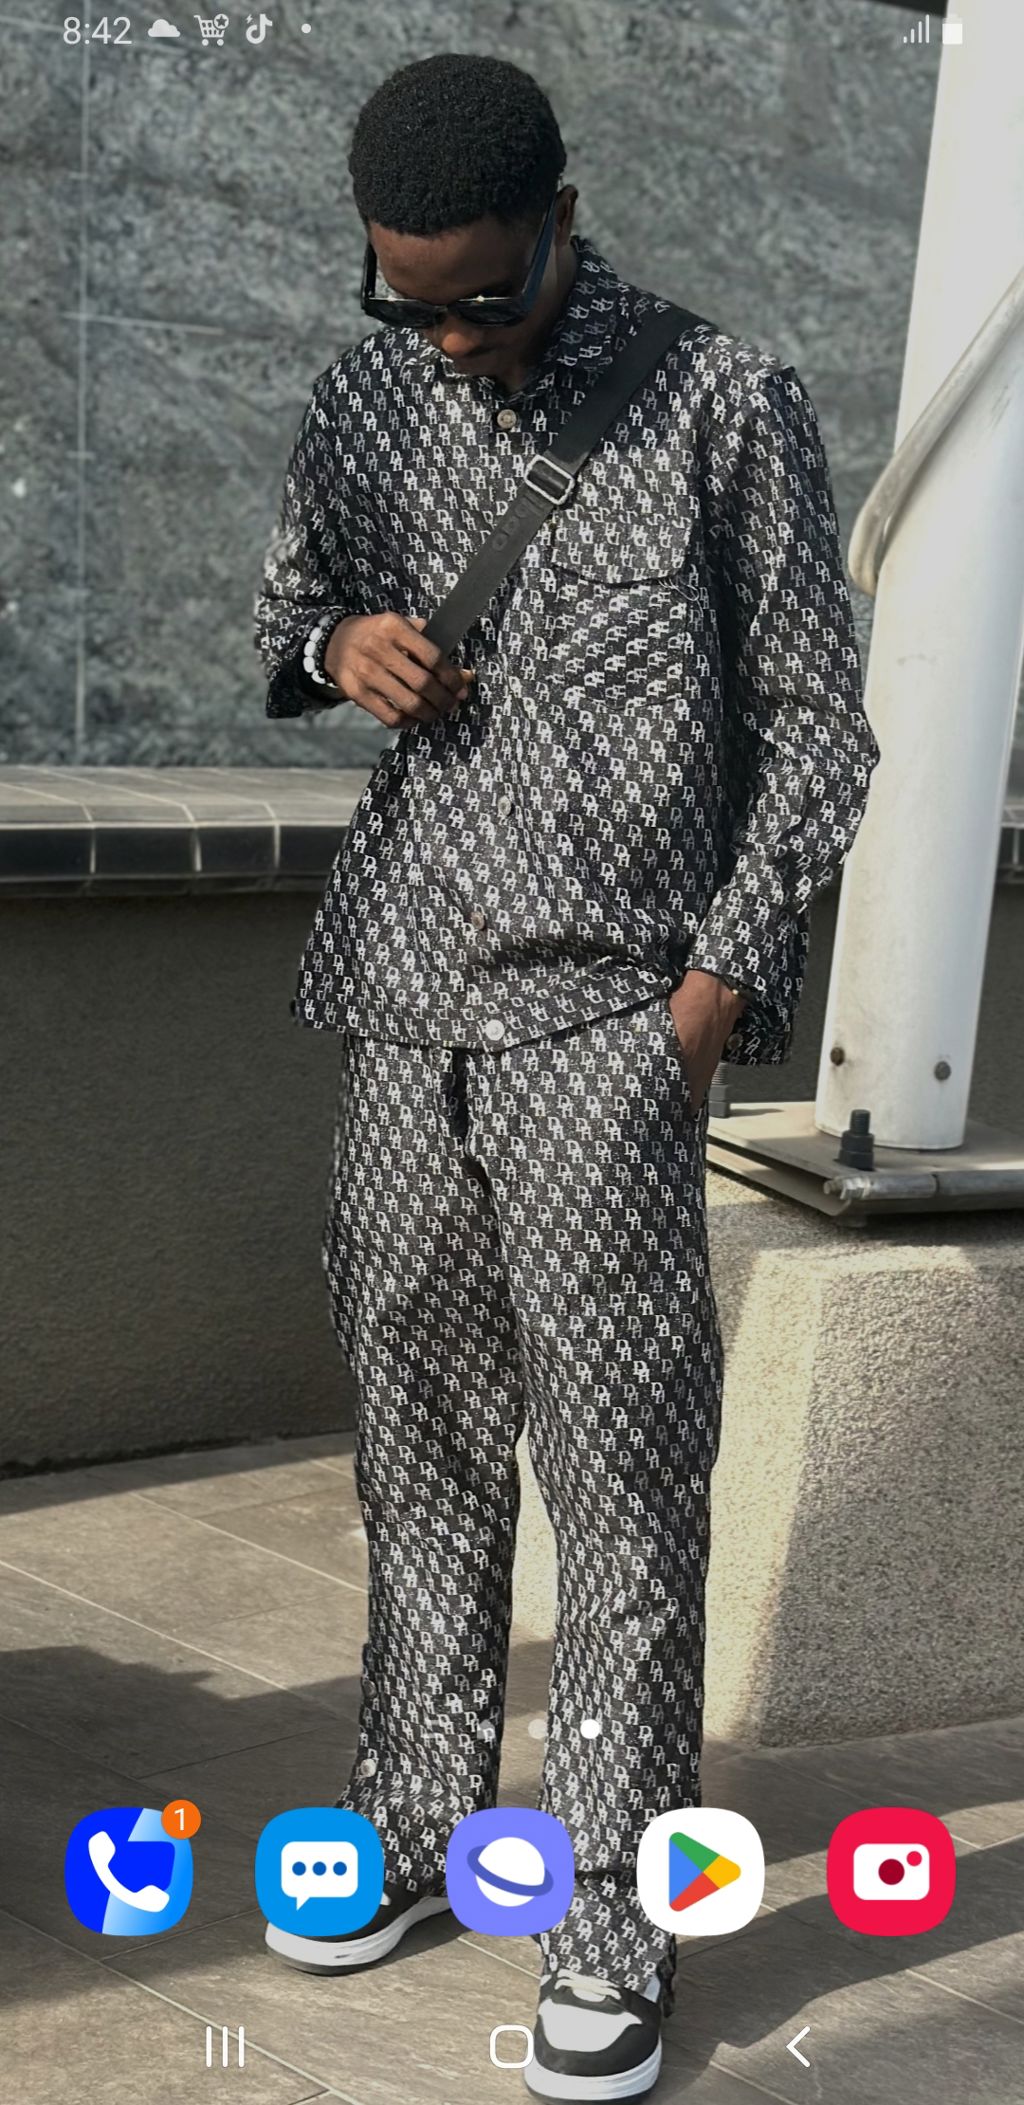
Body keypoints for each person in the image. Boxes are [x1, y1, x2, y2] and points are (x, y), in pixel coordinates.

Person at [254, 50, 880, 2104]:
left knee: (619, 1494)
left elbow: (817, 730)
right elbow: (284, 608)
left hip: (604, 1024)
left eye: (482, 296)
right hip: (400, 1014)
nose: (448, 334)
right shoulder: (363, 401)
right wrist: (340, 643)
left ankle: (613, 1907)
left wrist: (708, 994)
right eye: (409, 301)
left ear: (560, 220)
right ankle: (418, 1823)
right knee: (418, 1458)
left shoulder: (720, 403)